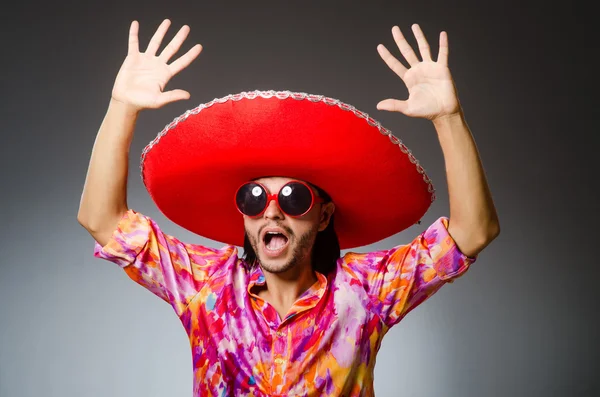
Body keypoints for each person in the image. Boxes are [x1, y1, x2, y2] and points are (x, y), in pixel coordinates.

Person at [78, 18, 499, 397]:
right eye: (254, 198)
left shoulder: (364, 292)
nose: (272, 212)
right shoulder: (206, 286)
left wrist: (449, 117)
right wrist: (122, 107)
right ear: (243, 213)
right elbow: (101, 220)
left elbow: (474, 232)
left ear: (324, 215)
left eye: (294, 198)